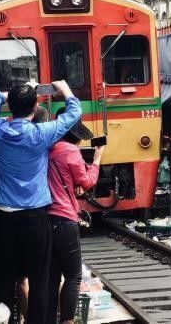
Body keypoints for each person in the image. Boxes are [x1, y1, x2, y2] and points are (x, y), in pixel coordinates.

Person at [0, 80, 80, 324]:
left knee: (4, 277)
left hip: (2, 216)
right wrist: (65, 89)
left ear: (10, 107)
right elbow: (74, 112)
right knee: (39, 279)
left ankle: (6, 321)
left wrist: (13, 92)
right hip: (35, 218)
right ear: (35, 108)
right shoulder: (41, 134)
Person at [46, 118, 104, 323]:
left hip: (45, 218)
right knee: (73, 276)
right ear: (76, 138)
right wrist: (97, 159)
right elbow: (86, 181)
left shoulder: (47, 146)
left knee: (52, 278)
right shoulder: (70, 151)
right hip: (64, 218)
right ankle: (68, 321)